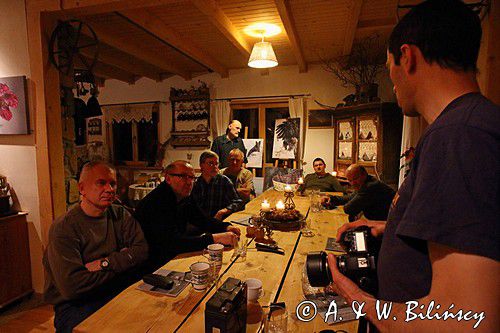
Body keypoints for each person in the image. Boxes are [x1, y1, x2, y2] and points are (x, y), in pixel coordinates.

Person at [327, 1, 499, 332]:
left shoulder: (460, 135)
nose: (391, 79)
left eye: (389, 66)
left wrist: (355, 296)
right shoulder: (466, 124)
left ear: (407, 57)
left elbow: (466, 321)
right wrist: (387, 228)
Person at [43, 162, 148, 332]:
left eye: (112, 183)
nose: (109, 189)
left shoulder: (120, 214)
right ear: (82, 188)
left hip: (115, 290)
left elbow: (142, 251)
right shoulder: (64, 227)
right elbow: (73, 287)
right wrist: (124, 264)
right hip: (76, 305)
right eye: (101, 183)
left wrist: (105, 263)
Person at [134, 160, 240, 272]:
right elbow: (172, 244)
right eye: (183, 177)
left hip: (171, 254)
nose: (189, 182)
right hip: (151, 263)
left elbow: (202, 219)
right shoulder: (156, 202)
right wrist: (215, 238)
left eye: (192, 178)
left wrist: (226, 227)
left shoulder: (183, 196)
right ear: (168, 178)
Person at [322, 164, 395, 221]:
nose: (353, 183)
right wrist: (331, 199)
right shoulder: (366, 181)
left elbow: (349, 209)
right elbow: (350, 197)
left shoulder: (370, 186)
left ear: (364, 174)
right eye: (350, 180)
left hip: (387, 224)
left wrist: (332, 206)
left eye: (355, 179)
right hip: (378, 220)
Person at [192, 151, 243, 220]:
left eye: (216, 164)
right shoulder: (195, 183)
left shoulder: (224, 181)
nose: (215, 167)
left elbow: (238, 202)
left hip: (219, 222)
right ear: (201, 165)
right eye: (211, 163)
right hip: (200, 223)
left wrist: (223, 211)